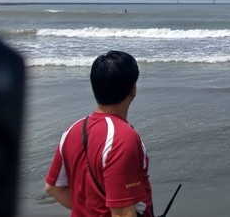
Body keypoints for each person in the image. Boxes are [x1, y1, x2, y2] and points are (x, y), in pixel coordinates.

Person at [45, 51, 153, 217]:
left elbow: (53, 188)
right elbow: (124, 213)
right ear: (133, 89)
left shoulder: (72, 130)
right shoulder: (123, 138)